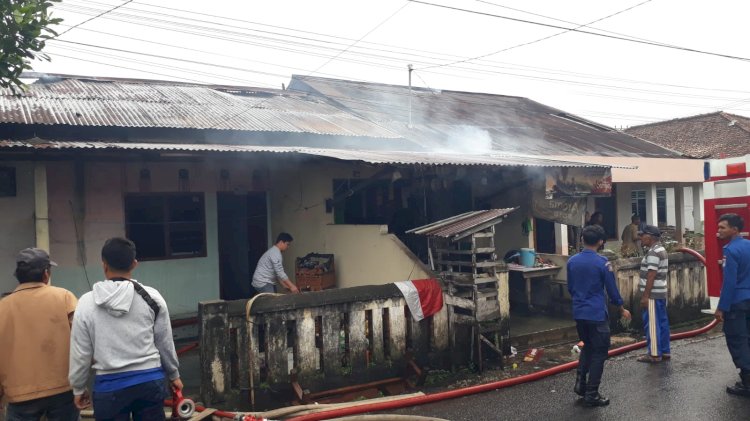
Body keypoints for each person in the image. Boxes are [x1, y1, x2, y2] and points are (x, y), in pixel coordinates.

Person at [69, 237, 181, 420]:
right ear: (134, 264)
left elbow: (81, 351)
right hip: (149, 382)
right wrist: (174, 375)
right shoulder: (152, 297)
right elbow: (164, 342)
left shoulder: (85, 303)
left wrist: (78, 387)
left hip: (109, 388)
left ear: (104, 265)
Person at [0, 248, 78, 421]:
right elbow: (82, 341)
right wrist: (80, 384)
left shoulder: (2, 307)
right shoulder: (64, 297)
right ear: (45, 274)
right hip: (61, 389)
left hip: (18, 394)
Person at [567, 225, 631, 407]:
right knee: (599, 352)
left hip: (579, 313)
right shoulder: (603, 263)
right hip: (596, 314)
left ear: (582, 240)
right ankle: (592, 393)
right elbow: (612, 290)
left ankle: (581, 385)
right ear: (601, 242)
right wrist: (621, 308)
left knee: (587, 346)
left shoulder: (572, 261)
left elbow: (570, 287)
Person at [715, 213, 750, 397]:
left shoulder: (730, 250)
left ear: (734, 230)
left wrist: (721, 307)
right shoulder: (748, 245)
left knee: (738, 341)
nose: (718, 231)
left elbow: (729, 283)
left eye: (723, 227)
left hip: (737, 303)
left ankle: (747, 383)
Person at [637, 225, 670, 363]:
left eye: (642, 235)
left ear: (649, 237)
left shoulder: (653, 252)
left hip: (653, 295)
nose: (640, 238)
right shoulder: (661, 249)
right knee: (662, 322)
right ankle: (665, 351)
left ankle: (655, 354)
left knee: (652, 324)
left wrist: (645, 296)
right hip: (660, 293)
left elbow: (651, 275)